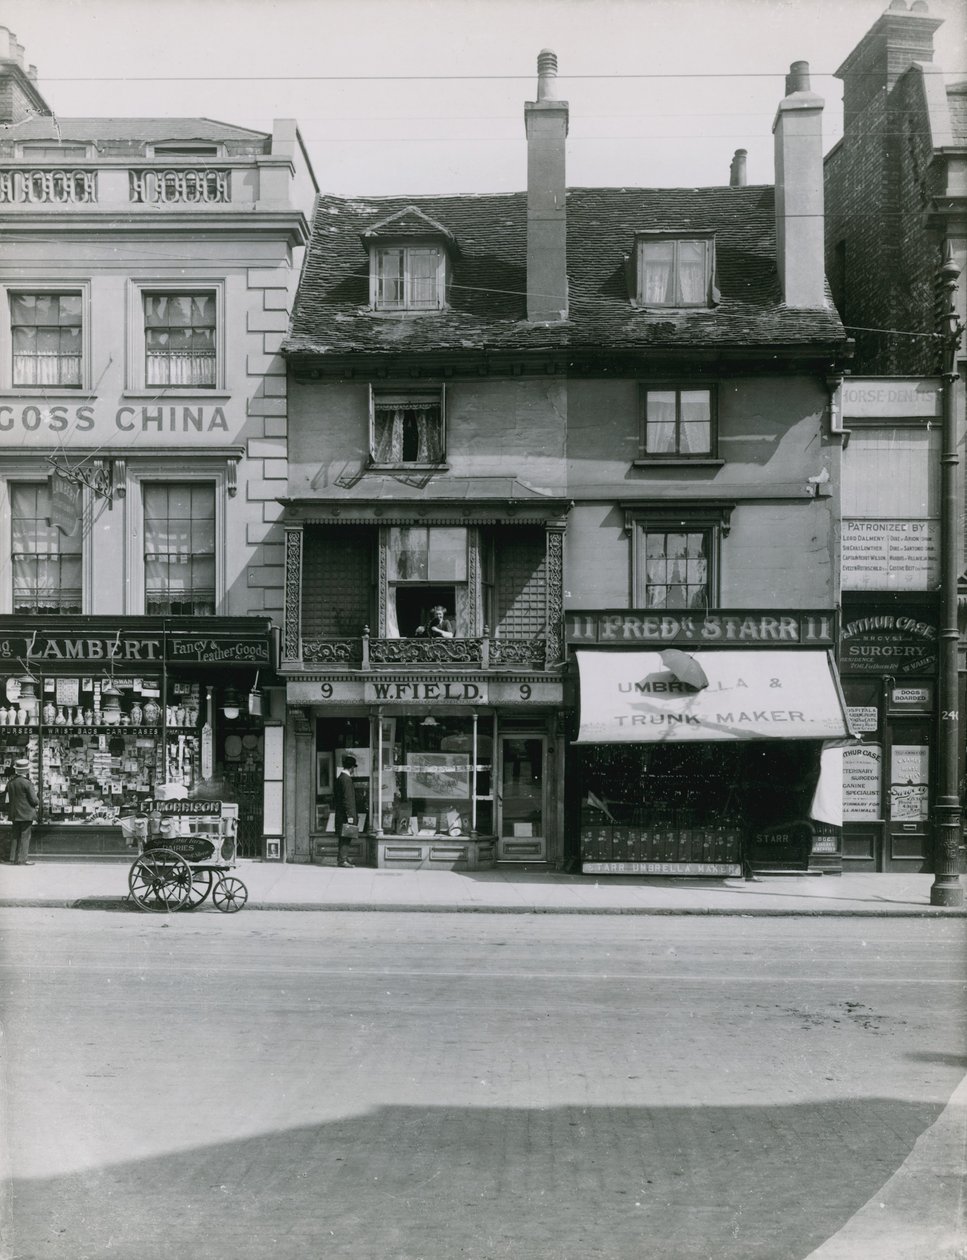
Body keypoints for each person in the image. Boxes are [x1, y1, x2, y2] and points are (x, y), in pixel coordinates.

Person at [5, 758, 39, 866]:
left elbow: (7, 799)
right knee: (25, 836)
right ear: (26, 771)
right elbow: (34, 801)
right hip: (26, 814)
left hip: (14, 814)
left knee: (15, 836)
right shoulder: (27, 783)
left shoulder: (10, 783)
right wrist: (38, 800)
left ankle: (13, 858)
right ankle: (23, 859)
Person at [333, 752, 359, 868]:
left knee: (344, 836)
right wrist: (350, 816)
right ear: (352, 767)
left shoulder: (340, 778)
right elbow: (347, 800)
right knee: (346, 837)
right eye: (354, 767)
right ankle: (342, 860)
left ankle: (342, 858)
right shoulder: (346, 780)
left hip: (341, 814)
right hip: (346, 815)